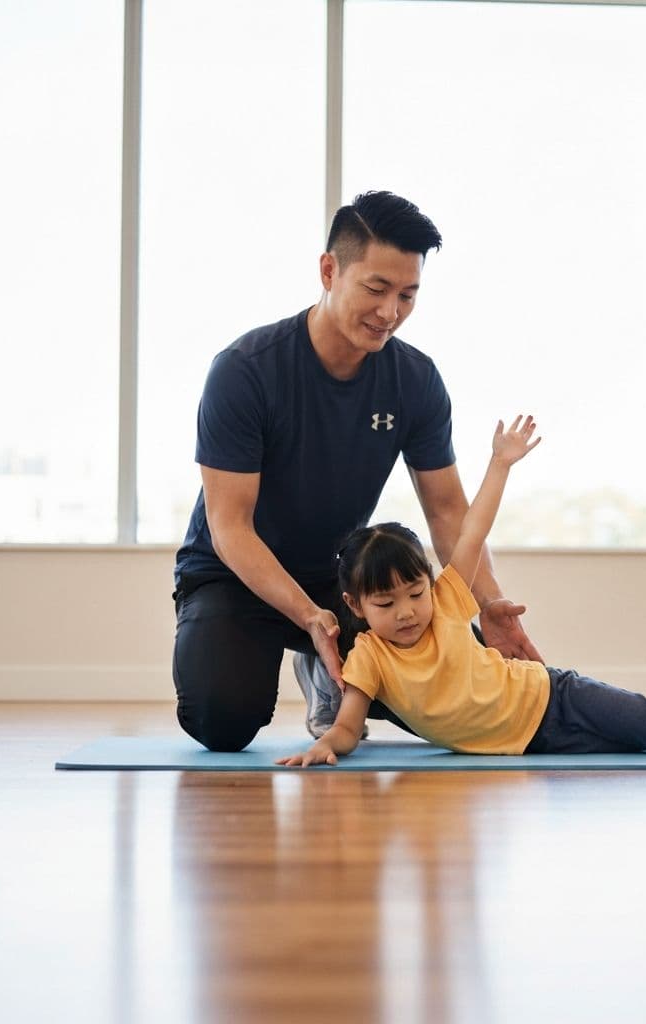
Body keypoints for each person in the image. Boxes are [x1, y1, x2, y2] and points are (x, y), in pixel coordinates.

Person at [172, 191, 542, 753]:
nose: (390, 312)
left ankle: (329, 675)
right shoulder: (245, 371)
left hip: (345, 583)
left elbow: (447, 511)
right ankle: (314, 654)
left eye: (407, 295)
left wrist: (489, 604)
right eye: (376, 289)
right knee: (220, 722)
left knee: (460, 691)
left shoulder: (414, 380)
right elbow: (230, 528)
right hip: (235, 575)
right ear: (329, 271)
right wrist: (310, 618)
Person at [276, 415, 646, 767]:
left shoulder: (446, 601)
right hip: (535, 744)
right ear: (354, 606)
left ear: (429, 584)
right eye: (386, 603)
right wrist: (328, 746)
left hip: (554, 696)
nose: (406, 612)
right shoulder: (370, 657)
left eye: (413, 593)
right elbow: (348, 725)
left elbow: (471, 532)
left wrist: (500, 464)